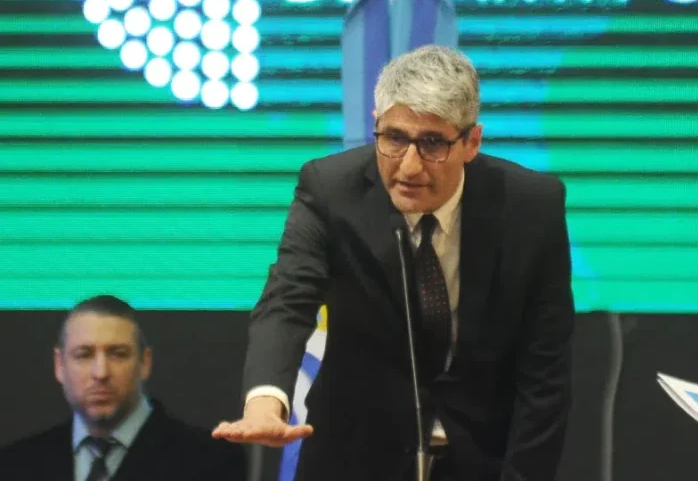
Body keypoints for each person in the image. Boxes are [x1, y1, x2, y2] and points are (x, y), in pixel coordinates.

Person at [213, 45, 575, 480]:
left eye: (432, 143)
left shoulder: (531, 207)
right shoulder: (330, 190)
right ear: (376, 126)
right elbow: (287, 300)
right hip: (354, 459)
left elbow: (545, 373)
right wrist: (265, 401)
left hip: (480, 462)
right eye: (395, 139)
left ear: (472, 142)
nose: (409, 166)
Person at [0, 295, 246, 481]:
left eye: (117, 354)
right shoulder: (15, 466)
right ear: (59, 365)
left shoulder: (211, 463)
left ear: (145, 362)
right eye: (84, 355)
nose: (100, 373)